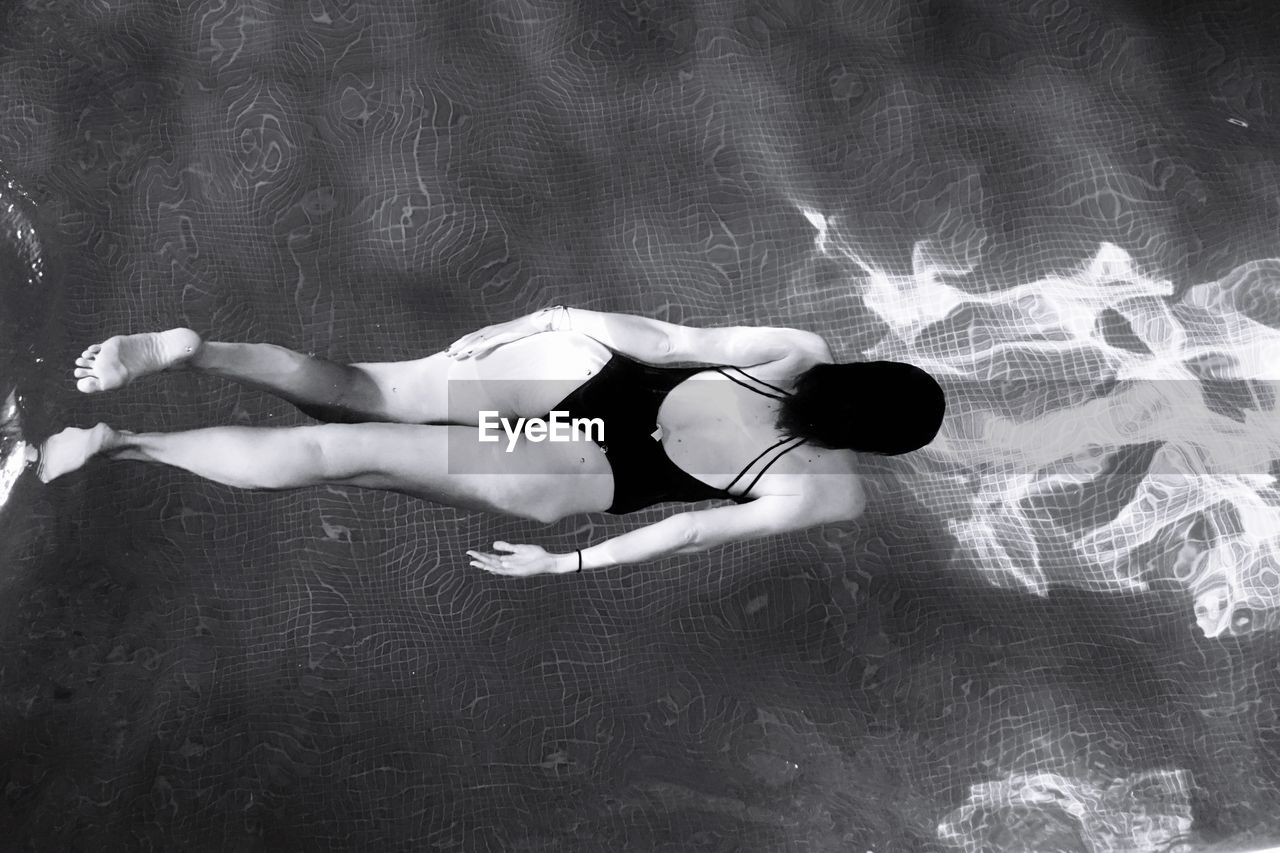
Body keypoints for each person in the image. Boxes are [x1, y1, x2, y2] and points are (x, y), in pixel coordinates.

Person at [30, 307, 945, 576]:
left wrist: (545, 315)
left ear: (860, 376)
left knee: (359, 390)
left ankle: (202, 348)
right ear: (880, 445)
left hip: (579, 373)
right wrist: (565, 568)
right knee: (341, 460)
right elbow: (694, 531)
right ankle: (120, 442)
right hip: (584, 460)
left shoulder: (802, 352)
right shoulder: (831, 490)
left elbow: (665, 343)